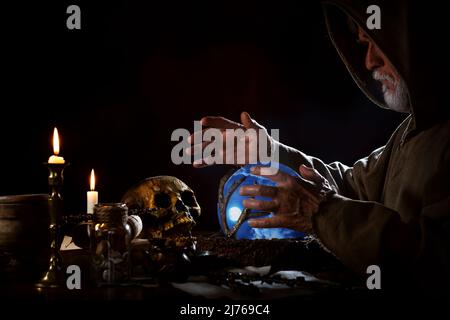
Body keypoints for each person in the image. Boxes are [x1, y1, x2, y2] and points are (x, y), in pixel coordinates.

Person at [187, 0, 449, 291]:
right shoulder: (414, 130)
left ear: (421, 39)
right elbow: (351, 189)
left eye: (379, 43)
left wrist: (322, 214)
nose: (369, 61)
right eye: (364, 44)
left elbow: (433, 261)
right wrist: (270, 154)